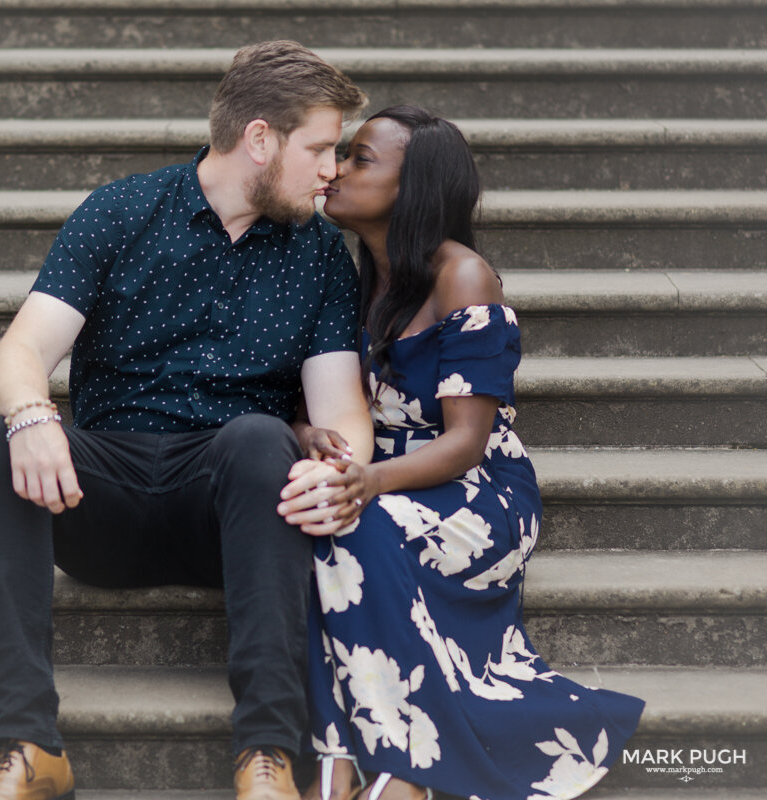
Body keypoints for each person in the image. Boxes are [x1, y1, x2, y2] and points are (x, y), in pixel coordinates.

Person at [0, 41, 376, 800]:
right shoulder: (122, 212)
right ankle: (28, 748)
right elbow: (20, 351)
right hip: (100, 498)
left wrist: (344, 464)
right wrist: (32, 416)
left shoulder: (319, 254)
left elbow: (341, 405)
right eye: (320, 147)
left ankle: (268, 758)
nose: (333, 169)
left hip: (228, 511)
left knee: (261, 435)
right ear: (260, 139)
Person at [277, 106, 646, 800]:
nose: (335, 171)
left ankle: (397, 771)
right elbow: (309, 406)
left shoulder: (464, 279)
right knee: (320, 525)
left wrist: (365, 481)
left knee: (357, 526)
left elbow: (466, 444)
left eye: (360, 159)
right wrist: (306, 436)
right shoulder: (348, 276)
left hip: (476, 492)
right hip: (381, 478)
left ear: (411, 188)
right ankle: (346, 763)